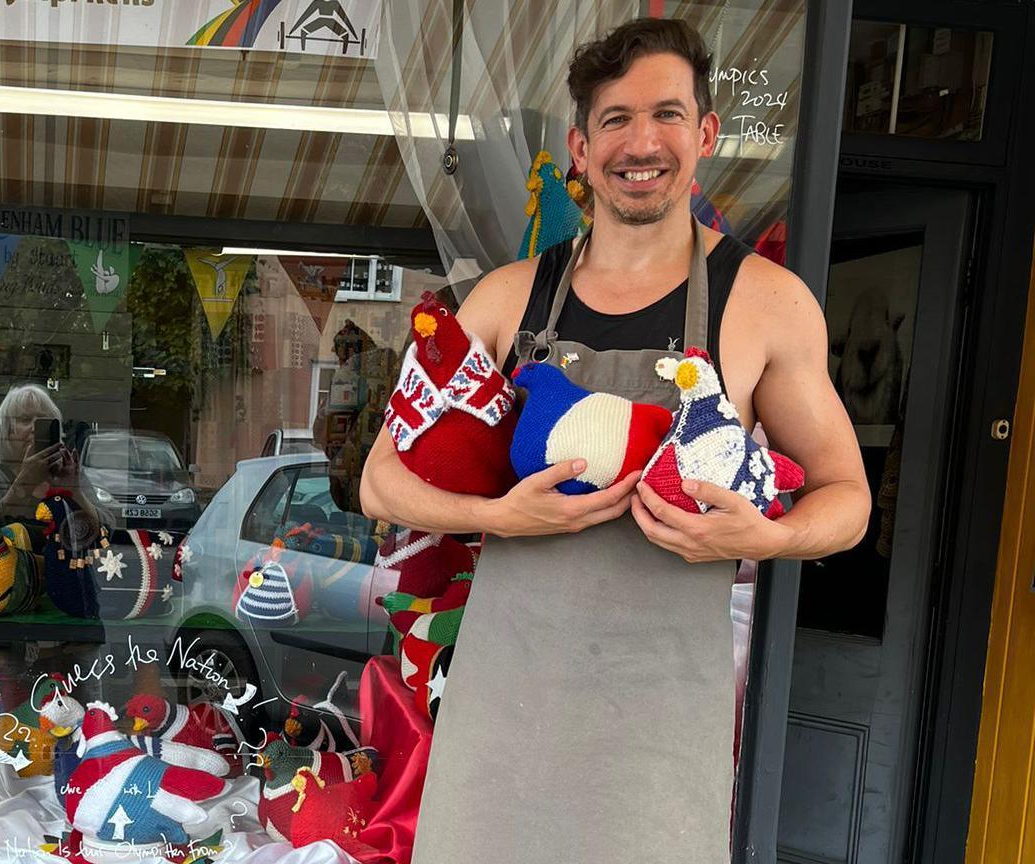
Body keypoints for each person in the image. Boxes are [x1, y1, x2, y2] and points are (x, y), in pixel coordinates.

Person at [359, 18, 871, 863]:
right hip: (499, 717)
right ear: (581, 146)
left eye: (668, 114)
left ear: (705, 134)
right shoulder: (508, 300)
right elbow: (381, 482)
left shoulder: (766, 304)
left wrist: (769, 536)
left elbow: (848, 499)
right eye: (616, 119)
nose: (643, 142)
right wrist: (499, 514)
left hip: (658, 739)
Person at [0, 384, 78, 524]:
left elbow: (106, 528)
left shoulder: (67, 472)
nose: (34, 428)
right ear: (7, 431)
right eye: (25, 420)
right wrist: (25, 483)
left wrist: (76, 491)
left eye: (43, 421)